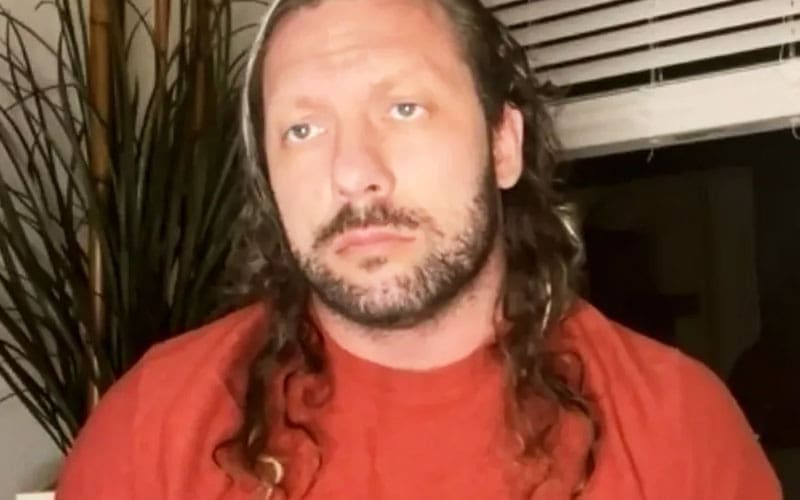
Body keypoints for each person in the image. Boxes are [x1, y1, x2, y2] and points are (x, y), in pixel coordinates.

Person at [55, 0, 782, 498]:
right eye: (303, 129)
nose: (353, 172)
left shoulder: (679, 428)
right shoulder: (154, 428)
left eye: (404, 108)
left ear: (503, 144)